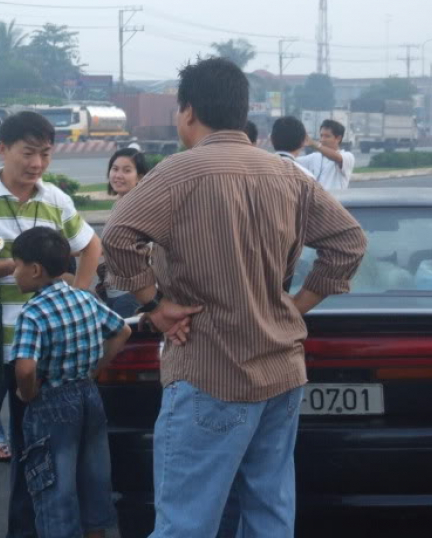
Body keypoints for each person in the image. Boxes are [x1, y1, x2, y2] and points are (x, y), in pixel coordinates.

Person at [101, 57, 367, 537]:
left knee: (186, 522)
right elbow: (349, 241)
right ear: (242, 109)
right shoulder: (287, 175)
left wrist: (153, 305)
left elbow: (117, 235)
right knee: (268, 513)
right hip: (281, 372)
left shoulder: (179, 172)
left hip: (209, 367)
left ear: (187, 112)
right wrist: (296, 305)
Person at [0, 111, 101, 538]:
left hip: (39, 355)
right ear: (2, 149)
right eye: (28, 153)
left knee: (34, 454)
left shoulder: (56, 200)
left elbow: (91, 245)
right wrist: (12, 267)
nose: (36, 164)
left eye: (45, 154)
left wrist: (78, 296)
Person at [10, 227, 131, 538]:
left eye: (16, 265)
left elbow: (25, 368)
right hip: (88, 396)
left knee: (55, 489)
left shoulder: (32, 312)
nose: (14, 273)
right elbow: (122, 331)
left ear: (35, 269)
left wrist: (28, 392)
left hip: (51, 403)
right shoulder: (83, 298)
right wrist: (95, 369)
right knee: (94, 482)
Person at [96, 147, 150, 317]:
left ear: (139, 177)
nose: (118, 175)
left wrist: (81, 248)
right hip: (115, 292)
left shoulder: (138, 207)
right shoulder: (121, 203)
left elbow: (116, 245)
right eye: (115, 169)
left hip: (130, 293)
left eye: (127, 170)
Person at [297, 119, 356, 191]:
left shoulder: (348, 156)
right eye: (321, 135)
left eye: (327, 136)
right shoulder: (314, 157)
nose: (322, 139)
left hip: (336, 200)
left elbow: (337, 157)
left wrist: (314, 144)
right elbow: (291, 161)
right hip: (316, 201)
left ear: (338, 138)